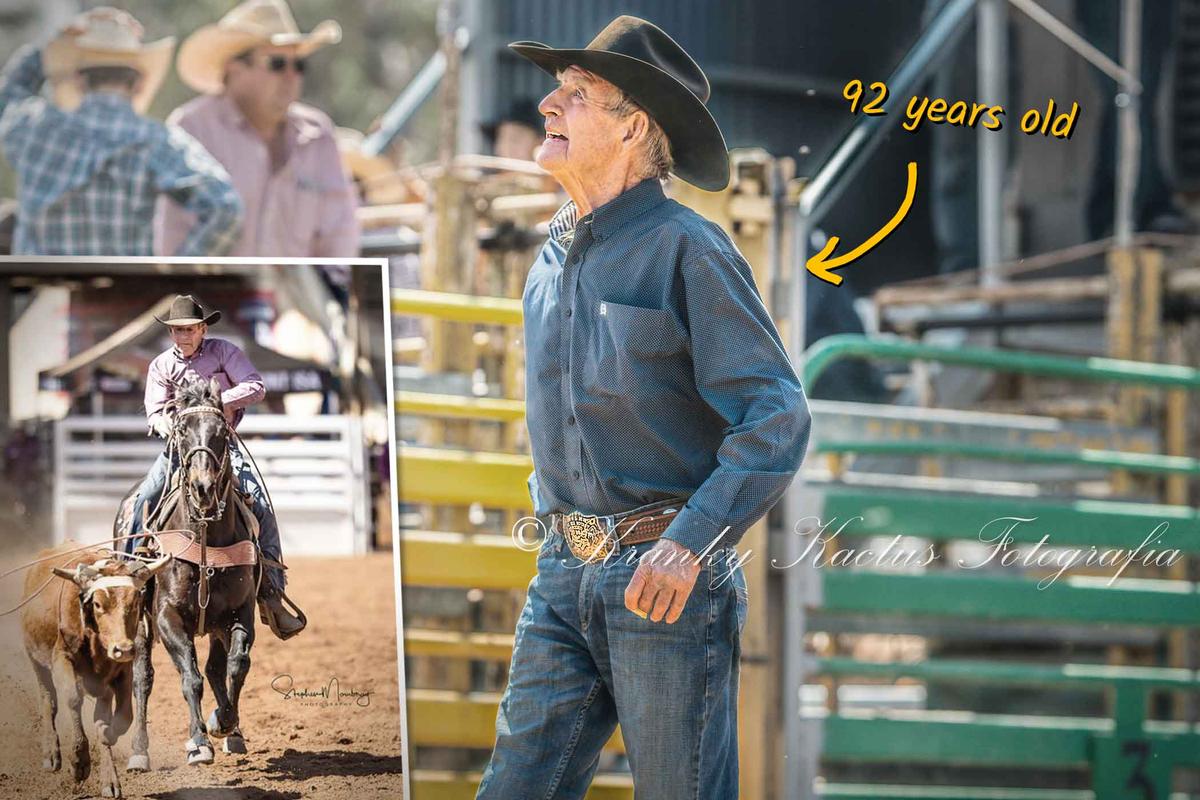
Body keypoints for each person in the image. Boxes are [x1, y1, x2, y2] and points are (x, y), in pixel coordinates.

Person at [477, 17, 811, 799]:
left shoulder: (689, 249)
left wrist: (691, 542)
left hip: (665, 580)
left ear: (633, 129)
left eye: (577, 93)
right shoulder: (549, 259)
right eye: (557, 89)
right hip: (564, 572)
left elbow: (776, 415)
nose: (548, 105)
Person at [129, 294, 305, 640]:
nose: (183, 336)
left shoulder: (225, 353)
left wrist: (214, 404)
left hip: (221, 446)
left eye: (190, 329)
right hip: (180, 447)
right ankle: (131, 570)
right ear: (171, 333)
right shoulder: (162, 366)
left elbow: (255, 386)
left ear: (203, 328)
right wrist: (167, 425)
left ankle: (271, 587)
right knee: (143, 497)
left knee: (261, 503)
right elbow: (154, 410)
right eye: (177, 331)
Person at [0, 7, 242, 257]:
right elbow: (225, 206)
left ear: (79, 81)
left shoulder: (34, 126)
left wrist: (51, 45)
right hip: (124, 292)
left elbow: (7, 96)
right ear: (139, 84)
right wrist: (176, 274)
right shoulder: (157, 140)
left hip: (40, 289)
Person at [154, 0, 359, 258]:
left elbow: (340, 237)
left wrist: (326, 294)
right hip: (211, 298)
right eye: (277, 64)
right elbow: (173, 241)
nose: (291, 76)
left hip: (299, 299)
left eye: (299, 65)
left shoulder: (319, 135)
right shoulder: (192, 130)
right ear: (234, 68)